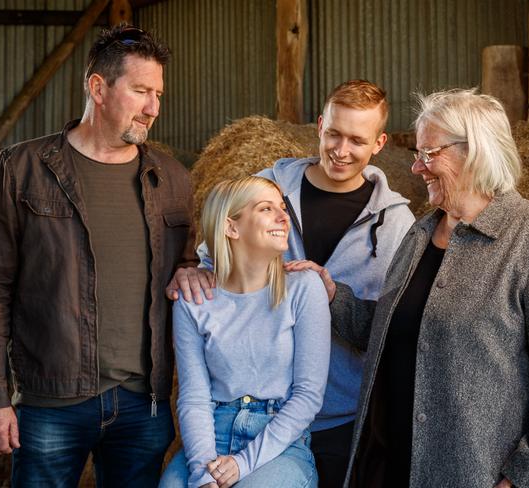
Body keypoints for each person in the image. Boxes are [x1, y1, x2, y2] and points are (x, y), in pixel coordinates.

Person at [0, 24, 197, 487]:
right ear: (98, 87)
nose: (154, 107)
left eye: (158, 93)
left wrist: (194, 273)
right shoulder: (22, 169)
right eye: (140, 91)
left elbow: (186, 266)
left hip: (142, 403)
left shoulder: (171, 177)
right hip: (51, 401)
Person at [331, 88, 529, 488]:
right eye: (417, 154)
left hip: (471, 474)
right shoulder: (420, 232)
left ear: (476, 151)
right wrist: (332, 295)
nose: (417, 168)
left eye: (429, 154)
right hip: (387, 465)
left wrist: (526, 479)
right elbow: (393, 331)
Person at [167, 80, 416, 487]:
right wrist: (192, 269)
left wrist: (336, 299)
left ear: (380, 143)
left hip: (342, 414)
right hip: (249, 405)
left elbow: (396, 328)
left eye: (357, 139)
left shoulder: (396, 225)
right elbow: (221, 255)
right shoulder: (270, 188)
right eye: (334, 133)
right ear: (319, 125)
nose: (340, 149)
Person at [159, 176, 330, 488]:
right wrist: (202, 473)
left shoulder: (304, 288)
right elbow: (194, 397)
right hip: (212, 434)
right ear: (231, 227)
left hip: (279, 441)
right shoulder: (193, 300)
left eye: (283, 208)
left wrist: (243, 464)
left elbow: (308, 396)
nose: (283, 217)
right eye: (267, 209)